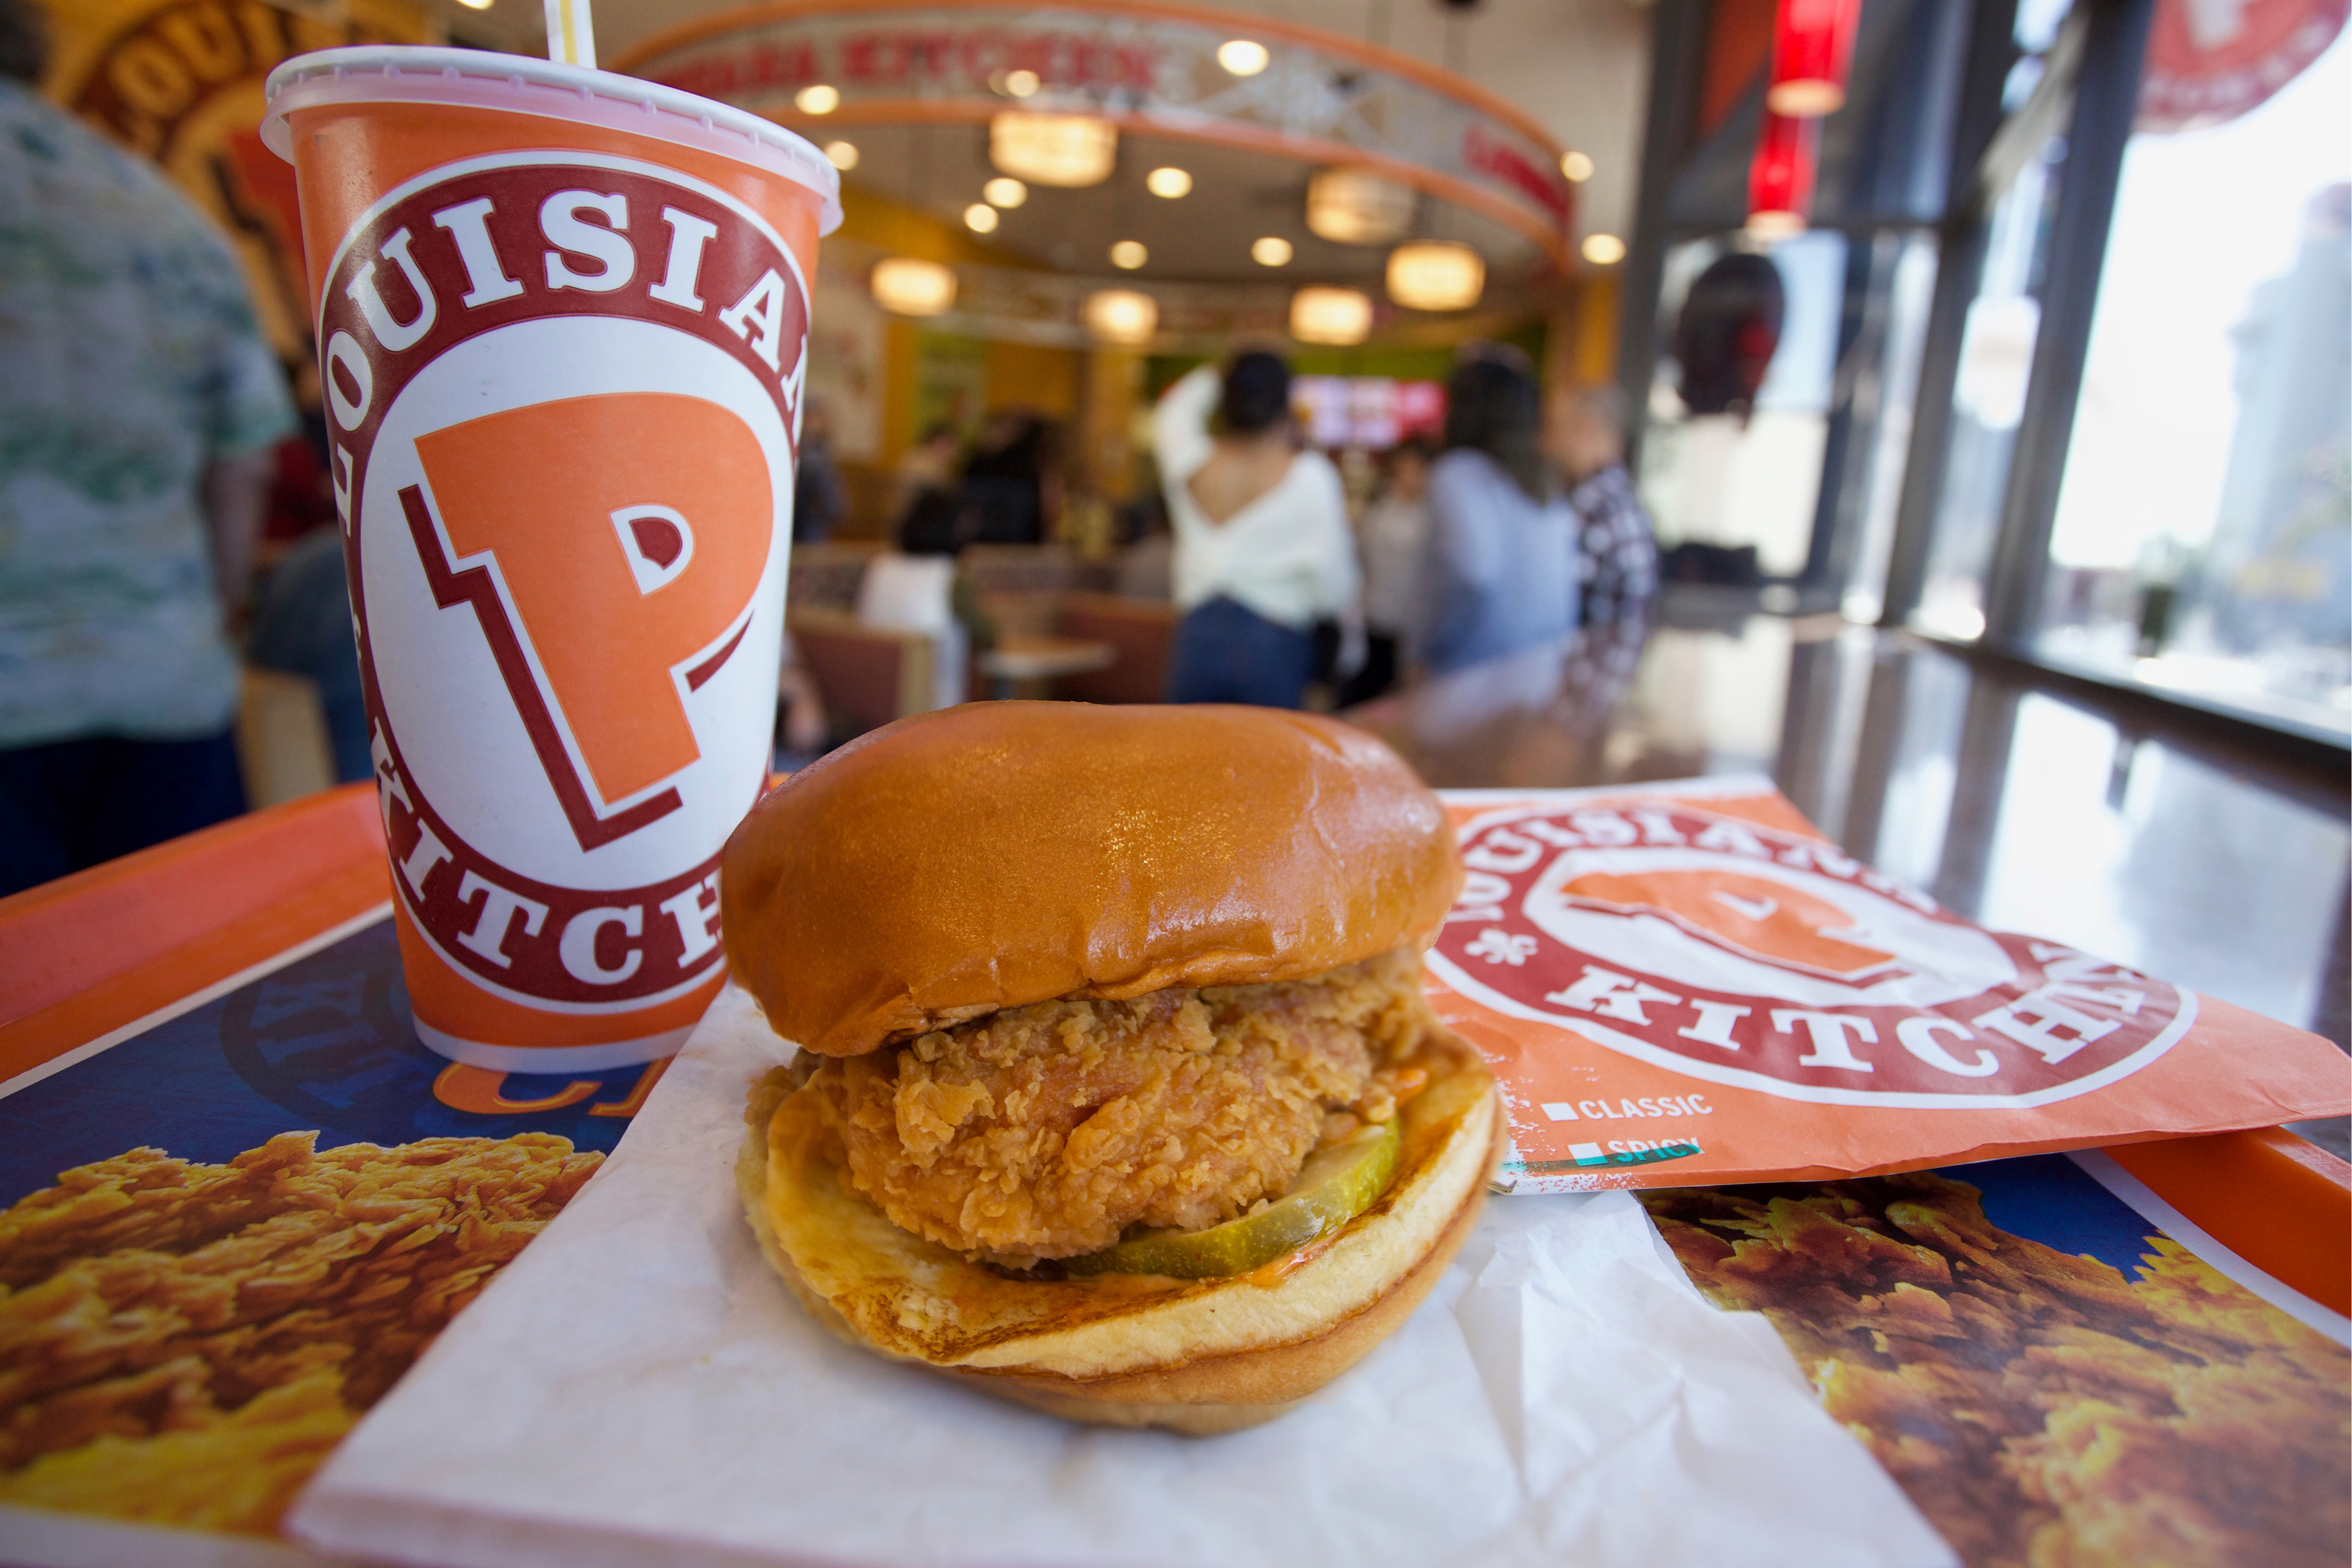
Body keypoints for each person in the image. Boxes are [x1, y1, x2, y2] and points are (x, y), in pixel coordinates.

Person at [0, 0, 297, 897]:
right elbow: (244, 457)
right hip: (165, 681)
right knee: (162, 1003)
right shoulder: (158, 213)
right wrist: (204, 616)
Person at [1155, 354, 1358, 708]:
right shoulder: (1312, 476)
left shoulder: (1189, 459)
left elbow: (1173, 411)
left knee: (1189, 760)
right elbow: (1334, 588)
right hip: (1275, 640)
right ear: (1285, 404)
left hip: (1196, 637)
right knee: (1269, 761)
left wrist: (1226, 366)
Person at [1421, 354, 1578, 676]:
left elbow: (1473, 572)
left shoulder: (1459, 473)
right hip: (1540, 667)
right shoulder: (1543, 479)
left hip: (1472, 676)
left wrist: (1428, 650)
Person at [1549, 382, 1659, 714]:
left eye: (1556, 428)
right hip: (1606, 683)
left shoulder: (1589, 505)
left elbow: (1556, 609)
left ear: (1584, 431)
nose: (1548, 441)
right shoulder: (1623, 498)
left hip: (1576, 684)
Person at [854, 489, 995, 712]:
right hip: (932, 706)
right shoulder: (952, 577)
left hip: (871, 695)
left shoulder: (880, 567)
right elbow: (987, 636)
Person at [1339, 438, 1433, 705]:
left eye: (1416, 469)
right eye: (1402, 468)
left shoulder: (1436, 517)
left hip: (1413, 629)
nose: (1407, 476)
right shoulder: (1380, 509)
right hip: (1375, 620)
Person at [793, 395, 847, 544]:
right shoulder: (813, 459)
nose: (827, 424)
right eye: (821, 417)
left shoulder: (812, 453)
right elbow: (834, 505)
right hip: (808, 534)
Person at [888, 421, 959, 532]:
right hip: (911, 524)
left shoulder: (943, 466)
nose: (953, 450)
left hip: (921, 523)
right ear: (938, 441)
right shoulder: (919, 462)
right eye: (950, 444)